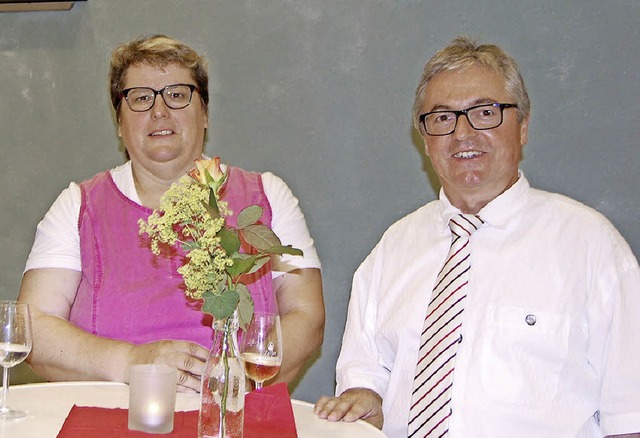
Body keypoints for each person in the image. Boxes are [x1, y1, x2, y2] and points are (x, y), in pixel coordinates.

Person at [314, 36, 640, 437]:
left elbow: (630, 414)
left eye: (484, 112)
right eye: (442, 118)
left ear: (522, 125)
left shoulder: (591, 246)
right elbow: (365, 378)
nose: (463, 133)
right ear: (425, 139)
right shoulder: (392, 248)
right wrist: (365, 399)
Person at [17, 35, 324, 393]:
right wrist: (131, 362)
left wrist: (230, 379)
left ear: (205, 114)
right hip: (109, 418)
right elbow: (34, 327)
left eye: (177, 95)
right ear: (119, 122)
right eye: (141, 98)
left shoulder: (268, 196)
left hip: (235, 416)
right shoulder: (75, 205)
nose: (159, 112)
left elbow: (307, 314)